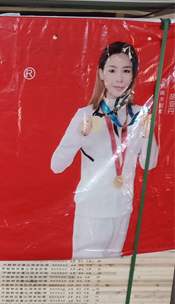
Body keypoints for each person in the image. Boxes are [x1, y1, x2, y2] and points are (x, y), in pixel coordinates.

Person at [51, 41, 158, 259]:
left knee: (112, 273)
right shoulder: (86, 114)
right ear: (101, 73)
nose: (119, 78)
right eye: (112, 70)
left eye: (126, 71)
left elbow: (149, 164)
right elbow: (56, 165)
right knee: (86, 271)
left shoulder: (140, 115)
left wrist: (147, 133)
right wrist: (79, 136)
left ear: (133, 75)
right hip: (93, 209)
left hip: (122, 208)